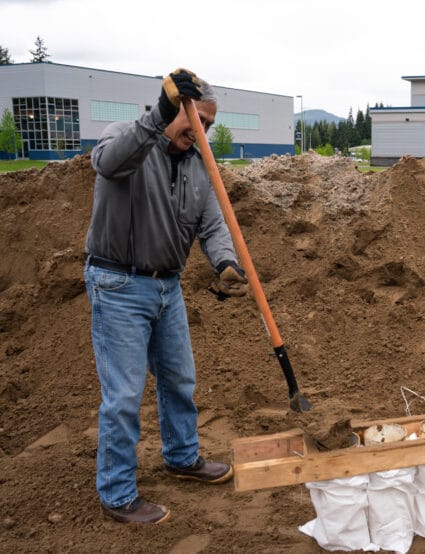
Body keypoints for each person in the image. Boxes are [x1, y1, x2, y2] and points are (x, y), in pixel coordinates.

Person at [84, 68, 249, 524]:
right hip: (118, 284)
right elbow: (107, 164)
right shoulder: (126, 137)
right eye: (195, 121)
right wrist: (158, 115)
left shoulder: (198, 164)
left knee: (179, 380)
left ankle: (181, 456)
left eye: (209, 126)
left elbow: (212, 223)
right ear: (173, 110)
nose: (201, 132)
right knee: (123, 396)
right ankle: (116, 495)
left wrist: (225, 263)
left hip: (167, 287)